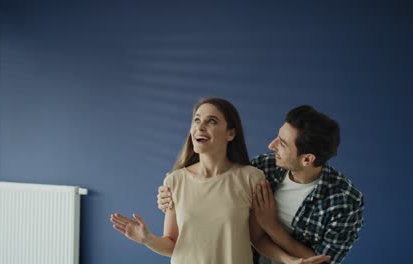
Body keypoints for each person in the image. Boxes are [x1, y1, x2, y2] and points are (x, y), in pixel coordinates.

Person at [111, 98, 330, 264]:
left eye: (211, 121)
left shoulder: (251, 178)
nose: (200, 126)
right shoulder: (174, 181)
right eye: (196, 120)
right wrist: (147, 239)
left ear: (230, 134)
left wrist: (290, 261)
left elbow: (258, 239)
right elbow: (173, 245)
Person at [157, 105, 364, 264]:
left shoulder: (344, 201)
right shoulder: (264, 167)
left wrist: (271, 226)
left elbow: (321, 261)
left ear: (307, 159)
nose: (271, 145)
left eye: (282, 144)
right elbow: (216, 183)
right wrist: (171, 194)